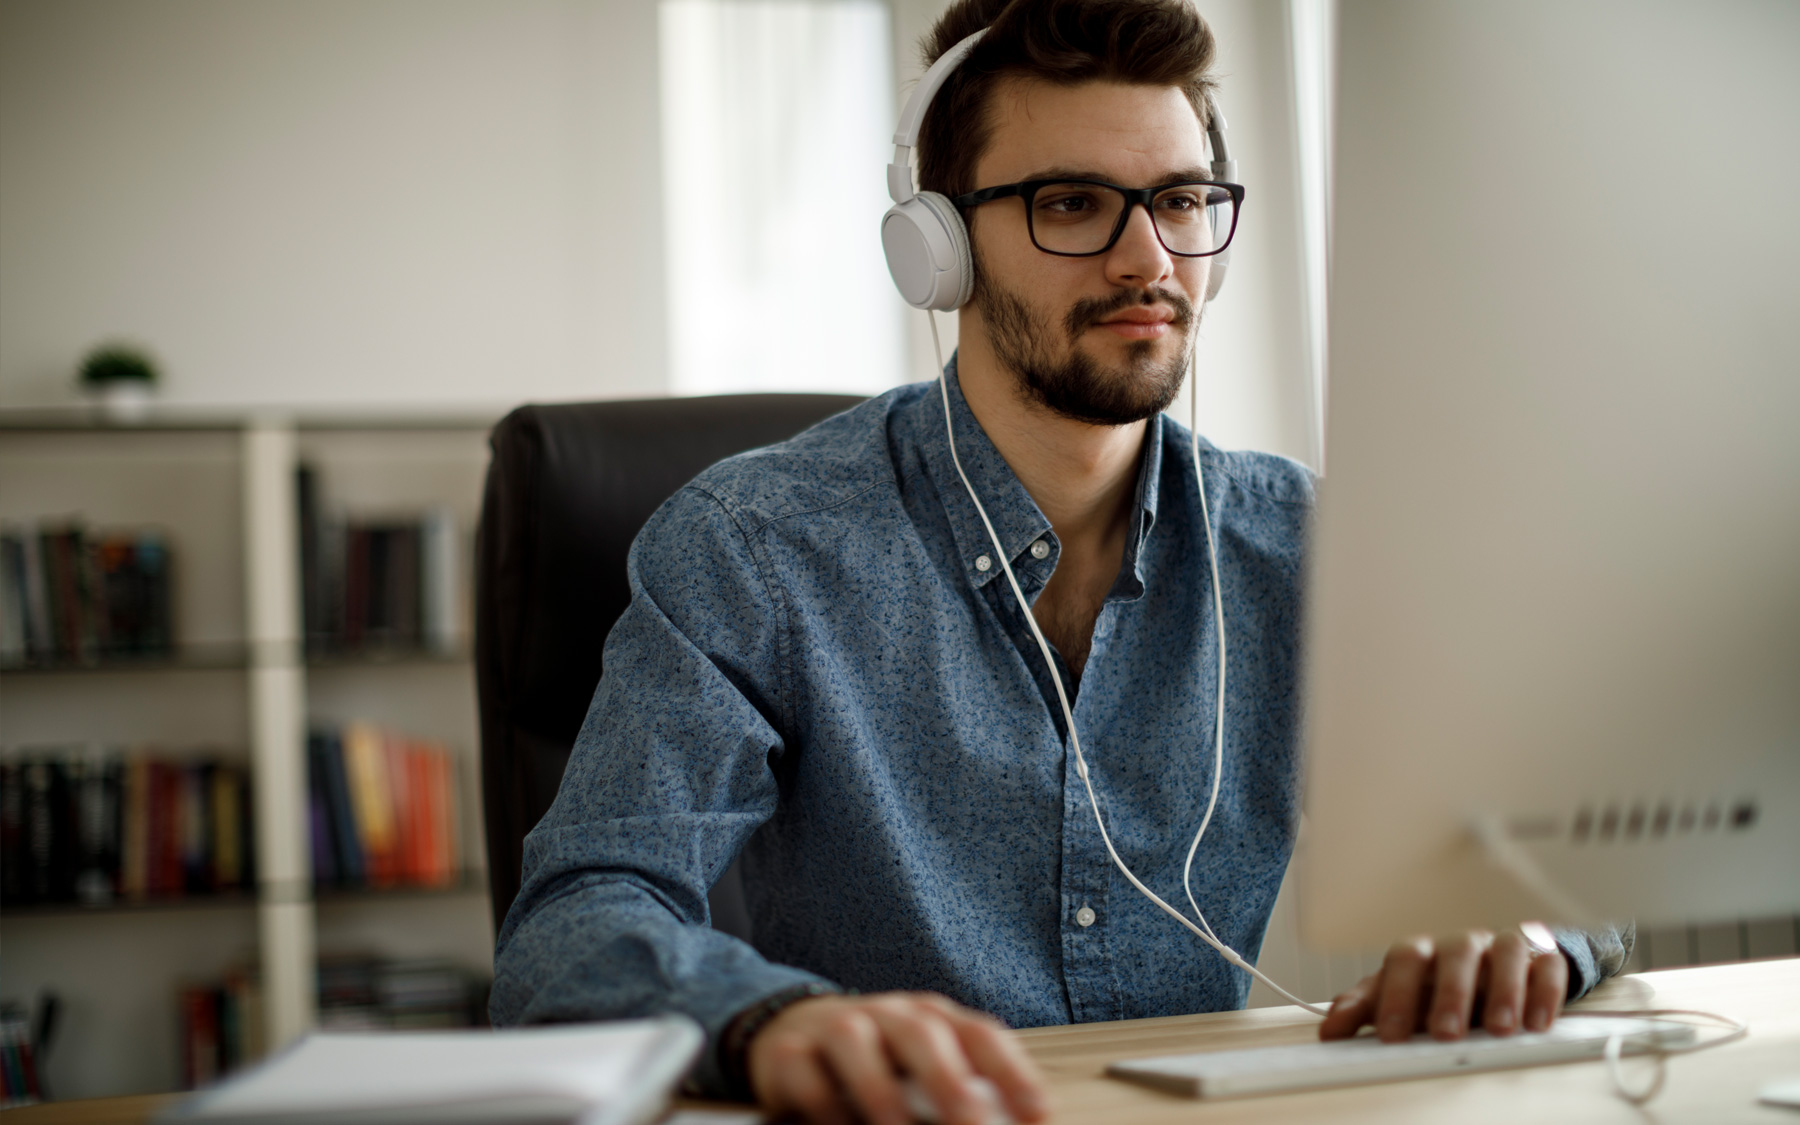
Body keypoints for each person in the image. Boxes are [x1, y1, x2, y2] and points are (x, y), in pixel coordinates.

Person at [490, 2, 1631, 1123]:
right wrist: (764, 1022)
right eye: (1072, 204)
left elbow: (1563, 857)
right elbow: (575, 921)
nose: (1150, 260)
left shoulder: (1309, 547)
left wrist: (1525, 930)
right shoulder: (754, 547)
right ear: (936, 248)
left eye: (1182, 201)